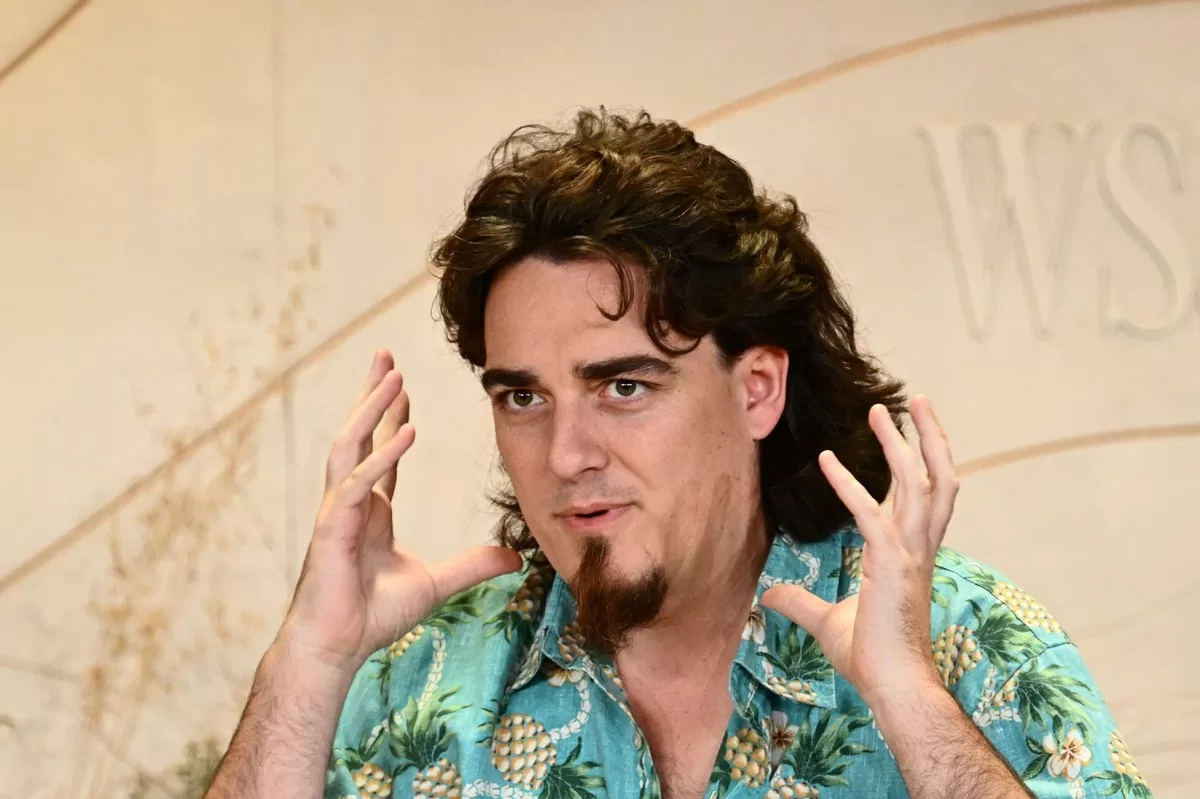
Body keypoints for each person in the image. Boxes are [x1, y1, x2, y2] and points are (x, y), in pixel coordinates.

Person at [204, 109, 1150, 799]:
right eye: (524, 396)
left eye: (624, 386)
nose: (567, 453)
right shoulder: (419, 679)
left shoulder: (967, 643)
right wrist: (311, 663)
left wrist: (912, 708)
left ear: (757, 390)